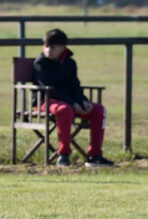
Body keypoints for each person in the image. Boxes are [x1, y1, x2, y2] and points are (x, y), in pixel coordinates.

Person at [33, 28, 114, 168]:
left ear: (62, 48)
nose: (48, 50)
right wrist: (72, 103)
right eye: (46, 46)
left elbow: (75, 86)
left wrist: (83, 101)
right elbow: (51, 90)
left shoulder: (70, 63)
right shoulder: (40, 64)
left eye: (52, 47)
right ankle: (63, 154)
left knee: (98, 109)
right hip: (45, 100)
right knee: (65, 110)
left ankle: (94, 156)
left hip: (69, 103)